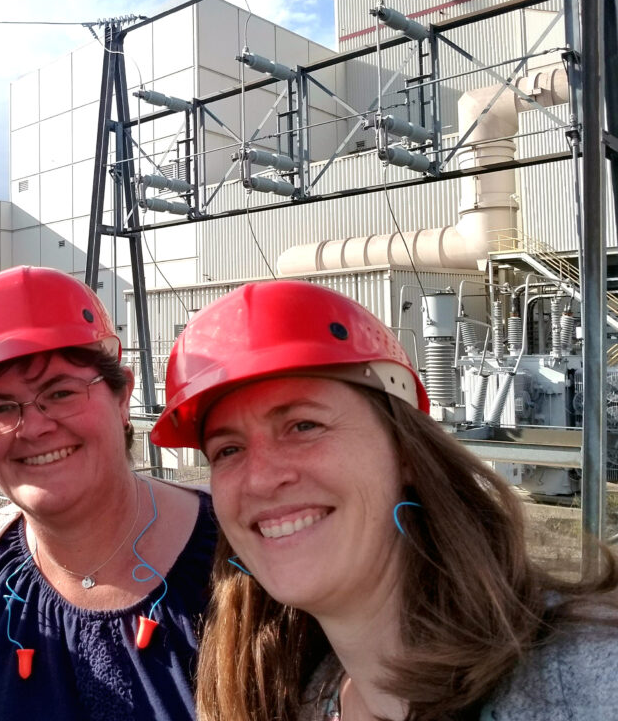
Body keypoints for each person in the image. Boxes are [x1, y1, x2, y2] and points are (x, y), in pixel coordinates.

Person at [151, 279, 618, 721]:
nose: (259, 479)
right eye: (228, 450)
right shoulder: (300, 693)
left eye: (303, 426)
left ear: (406, 452)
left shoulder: (580, 676)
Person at [0, 265, 217, 721]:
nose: (34, 427)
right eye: (0, 406)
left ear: (123, 398)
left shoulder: (237, 553)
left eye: (60, 393)